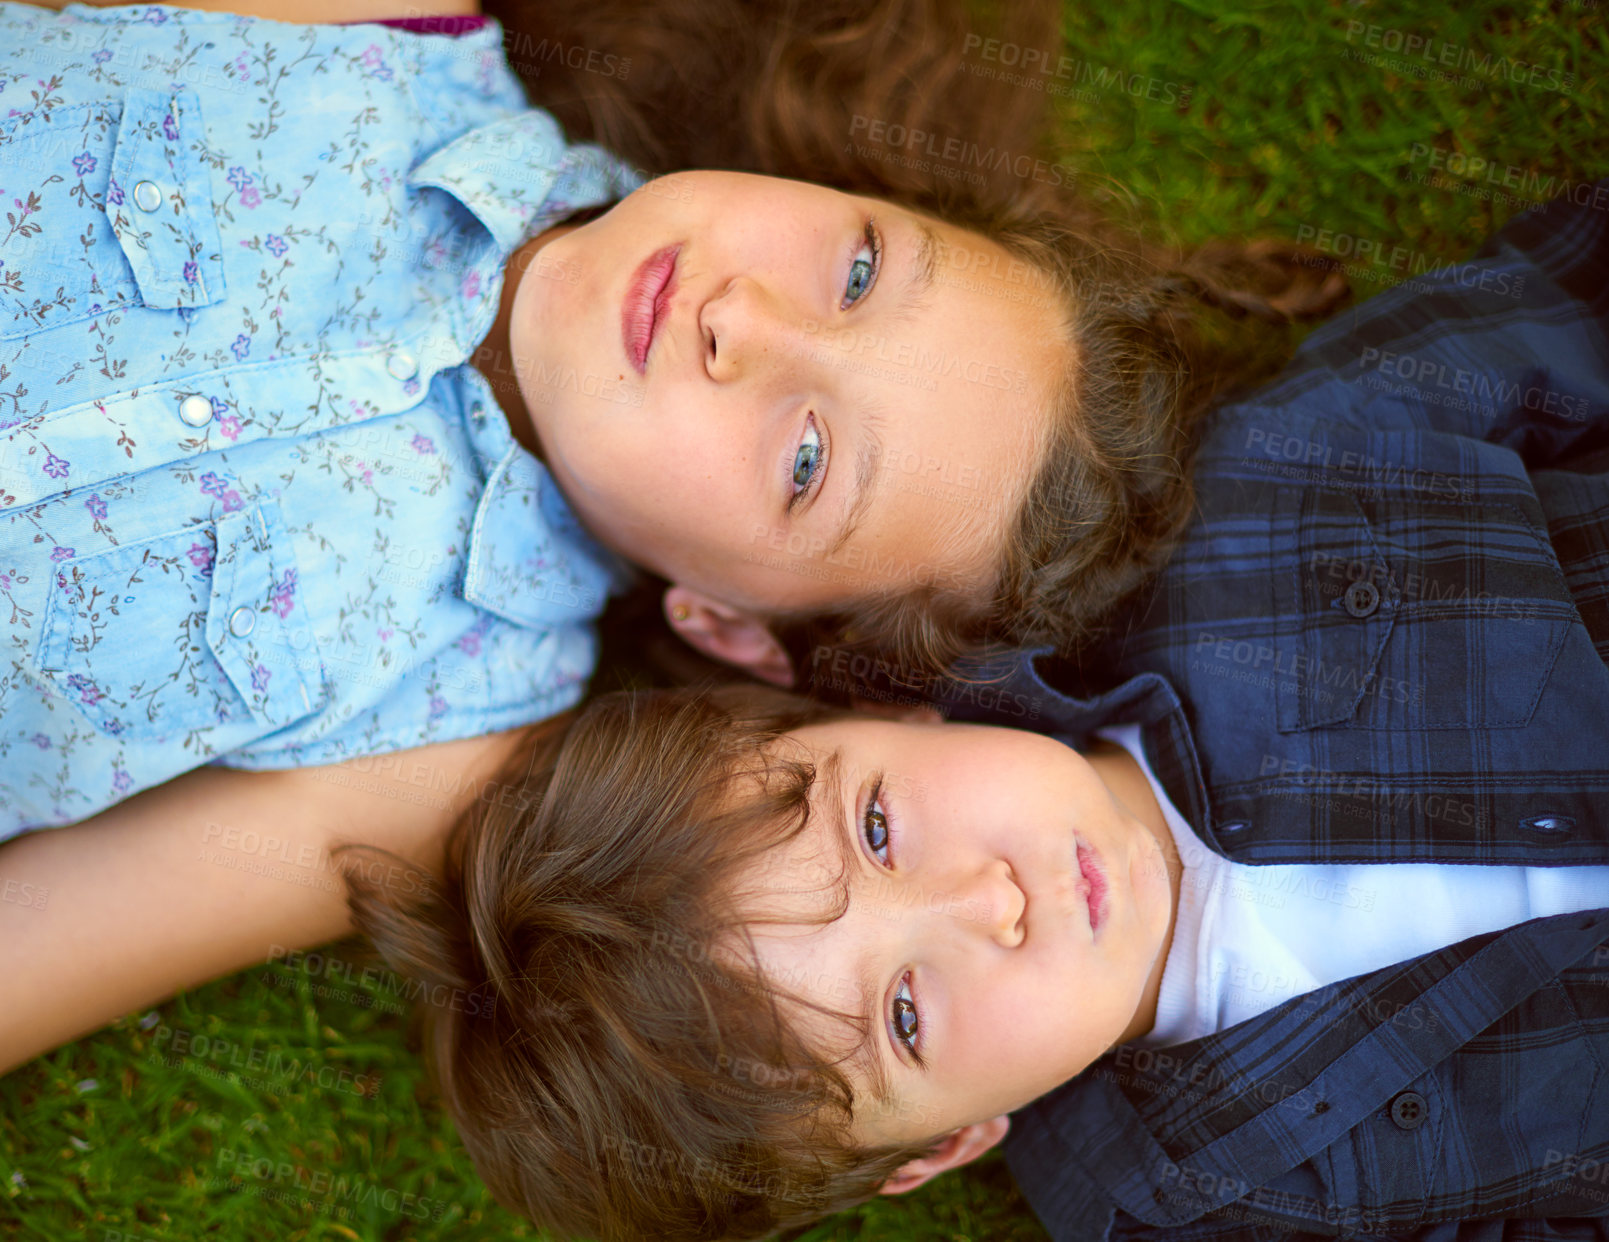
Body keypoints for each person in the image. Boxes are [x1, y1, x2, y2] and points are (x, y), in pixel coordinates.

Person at [0, 0, 1327, 837]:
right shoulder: (379, 33)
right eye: (857, 272)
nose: (742, 320)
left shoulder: (446, 734)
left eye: (808, 459)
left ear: (729, 624)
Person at [337, 682, 1609, 1242]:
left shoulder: (1246, 540)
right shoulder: (1222, 1211)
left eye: (878, 828)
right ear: (945, 1146)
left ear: (881, 717)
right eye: (901, 1015)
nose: (989, 899)